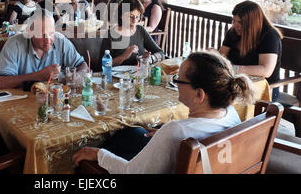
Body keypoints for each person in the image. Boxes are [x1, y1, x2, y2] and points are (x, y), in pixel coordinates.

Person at [72, 50, 255, 173]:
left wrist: (97, 154)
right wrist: (164, 134)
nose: (175, 83)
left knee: (94, 155)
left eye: (179, 80)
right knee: (132, 133)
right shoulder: (230, 112)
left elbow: (131, 171)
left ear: (199, 94)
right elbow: (193, 130)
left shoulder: (176, 132)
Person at [0, 9, 89, 91]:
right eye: (42, 35)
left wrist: (78, 76)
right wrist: (38, 76)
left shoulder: (61, 41)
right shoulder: (14, 44)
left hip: (55, 99)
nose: (48, 39)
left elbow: (83, 66)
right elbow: (1, 83)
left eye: (51, 33)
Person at [219, 0, 283, 100]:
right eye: (234, 21)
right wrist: (214, 55)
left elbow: (266, 70)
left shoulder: (269, 35)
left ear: (252, 23)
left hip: (264, 89)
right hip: (236, 83)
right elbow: (221, 57)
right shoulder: (233, 33)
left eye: (240, 22)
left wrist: (234, 69)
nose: (235, 25)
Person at [100, 0, 164, 66]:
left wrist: (151, 58)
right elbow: (103, 64)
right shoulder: (110, 35)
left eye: (137, 17)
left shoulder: (140, 30)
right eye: (130, 16)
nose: (134, 21)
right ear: (121, 16)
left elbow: (160, 53)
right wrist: (123, 56)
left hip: (138, 75)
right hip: (117, 76)